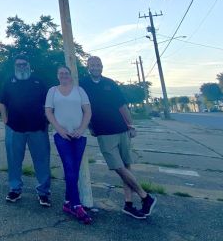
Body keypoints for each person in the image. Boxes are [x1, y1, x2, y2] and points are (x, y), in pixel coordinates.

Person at [80, 56, 157, 219]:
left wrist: (131, 125)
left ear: (102, 66)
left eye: (98, 64)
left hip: (121, 129)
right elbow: (83, 108)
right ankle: (145, 197)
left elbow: (122, 106)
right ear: (88, 66)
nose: (95, 67)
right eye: (92, 64)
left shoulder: (110, 83)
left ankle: (129, 204)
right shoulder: (83, 84)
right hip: (104, 132)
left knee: (126, 166)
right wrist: (90, 126)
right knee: (117, 166)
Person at [0, 54, 51, 207]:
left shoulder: (38, 81)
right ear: (15, 66)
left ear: (29, 65)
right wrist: (5, 121)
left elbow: (49, 103)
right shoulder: (9, 81)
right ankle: (15, 189)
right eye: (19, 64)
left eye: (24, 64)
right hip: (14, 128)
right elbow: (2, 102)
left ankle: (44, 192)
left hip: (38, 128)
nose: (22, 67)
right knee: (14, 161)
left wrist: (48, 120)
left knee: (42, 161)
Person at [45, 66, 93, 224]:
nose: (64, 75)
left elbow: (88, 111)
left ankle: (67, 203)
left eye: (66, 73)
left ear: (70, 75)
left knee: (74, 170)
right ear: (57, 75)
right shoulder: (52, 91)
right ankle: (77, 206)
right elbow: (48, 112)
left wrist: (81, 129)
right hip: (61, 136)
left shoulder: (79, 91)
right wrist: (59, 130)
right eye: (61, 73)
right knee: (69, 168)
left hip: (79, 136)